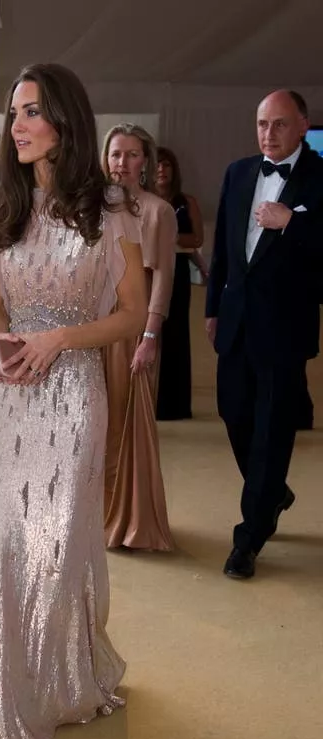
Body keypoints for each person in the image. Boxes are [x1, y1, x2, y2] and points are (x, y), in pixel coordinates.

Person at [0, 63, 148, 739]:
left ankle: (62, 680)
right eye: (14, 112)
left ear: (66, 122)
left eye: (33, 111)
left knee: (56, 546)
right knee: (7, 546)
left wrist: (59, 340)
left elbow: (131, 315)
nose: (18, 125)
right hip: (12, 397)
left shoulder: (111, 210)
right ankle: (14, 696)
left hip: (74, 397)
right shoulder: (3, 209)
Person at [206, 89, 323, 580]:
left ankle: (249, 538)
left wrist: (291, 223)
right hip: (235, 320)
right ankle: (272, 491)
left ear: (303, 125)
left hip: (285, 327)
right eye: (261, 124)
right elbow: (223, 250)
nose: (268, 134)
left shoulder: (321, 176)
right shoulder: (237, 172)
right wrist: (213, 308)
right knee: (233, 415)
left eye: (278, 124)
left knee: (271, 433)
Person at [101, 124, 176, 551]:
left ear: (145, 162)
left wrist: (150, 334)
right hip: (96, 326)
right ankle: (99, 513)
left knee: (127, 422)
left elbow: (163, 274)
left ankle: (129, 521)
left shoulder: (158, 211)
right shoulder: (93, 208)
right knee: (97, 419)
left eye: (131, 155)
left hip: (135, 329)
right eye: (115, 154)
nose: (122, 164)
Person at [154, 146, 205, 420]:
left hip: (179, 271)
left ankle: (176, 403)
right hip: (150, 271)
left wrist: (169, 239)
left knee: (176, 334)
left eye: (167, 165)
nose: (162, 170)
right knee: (152, 332)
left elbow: (196, 239)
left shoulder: (187, 201)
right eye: (157, 165)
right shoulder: (144, 200)